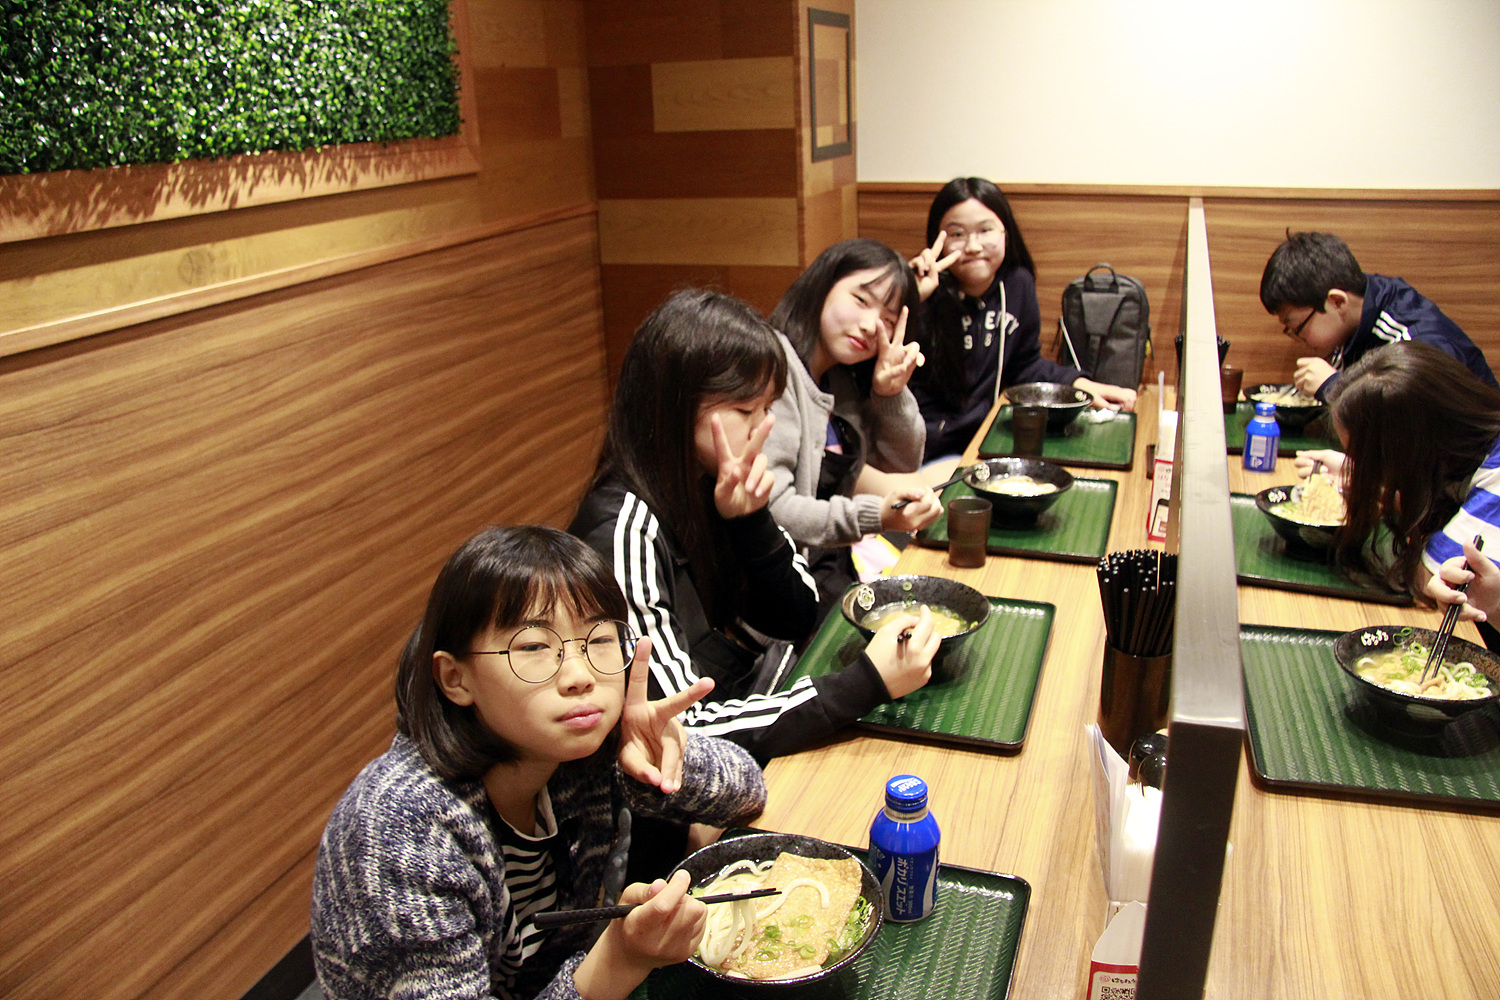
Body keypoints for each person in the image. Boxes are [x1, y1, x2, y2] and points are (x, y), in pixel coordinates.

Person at [310, 526, 767, 1000]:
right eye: (533, 647)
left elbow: (748, 793)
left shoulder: (571, 748)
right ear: (455, 678)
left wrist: (660, 759)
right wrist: (620, 958)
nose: (579, 676)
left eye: (599, 639)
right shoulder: (400, 832)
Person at [570, 288, 941, 767]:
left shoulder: (715, 479)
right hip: (687, 770)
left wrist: (750, 523)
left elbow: (799, 615)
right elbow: (681, 728)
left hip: (752, 702)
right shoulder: (624, 530)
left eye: (768, 409)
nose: (763, 429)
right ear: (672, 407)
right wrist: (867, 682)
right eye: (746, 411)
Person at [763, 238, 947, 607]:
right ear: (823, 284)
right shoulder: (773, 368)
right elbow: (775, 511)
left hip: (831, 563)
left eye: (888, 320)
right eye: (861, 300)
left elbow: (902, 463)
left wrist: (890, 393)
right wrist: (876, 516)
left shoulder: (842, 376)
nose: (869, 326)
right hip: (783, 586)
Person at [908, 177, 1138, 463]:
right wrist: (909, 297)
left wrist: (1078, 384)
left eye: (985, 230)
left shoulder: (1018, 284)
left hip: (988, 438)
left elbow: (1024, 365)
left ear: (1005, 232)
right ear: (937, 240)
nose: (973, 246)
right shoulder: (921, 295)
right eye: (957, 234)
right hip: (930, 448)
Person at [1293, 343, 1500, 636]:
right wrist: (1365, 477)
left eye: (1370, 460)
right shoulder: (1462, 449)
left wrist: (1380, 488)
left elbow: (1430, 579)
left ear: (1411, 450)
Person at [1259, 230, 1496, 402]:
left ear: (1337, 301)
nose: (1297, 338)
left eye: (1297, 328)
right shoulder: (1357, 311)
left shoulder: (1415, 340)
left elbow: (1417, 423)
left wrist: (1333, 388)